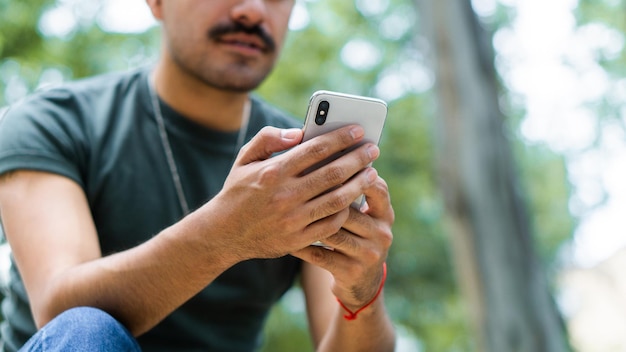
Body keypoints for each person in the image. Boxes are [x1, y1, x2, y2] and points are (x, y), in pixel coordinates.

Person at [0, 0, 396, 351]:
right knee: (87, 328)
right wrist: (228, 233)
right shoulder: (52, 123)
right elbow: (58, 312)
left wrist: (361, 292)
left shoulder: (298, 165)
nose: (252, 10)